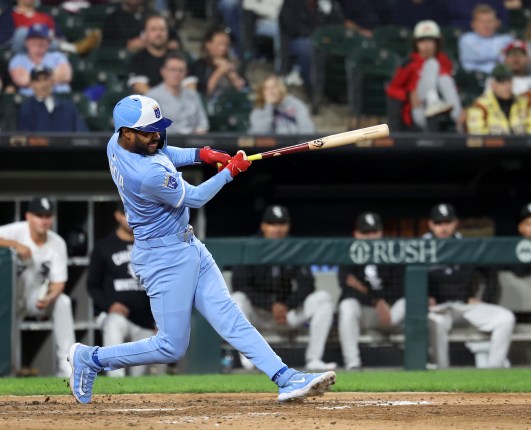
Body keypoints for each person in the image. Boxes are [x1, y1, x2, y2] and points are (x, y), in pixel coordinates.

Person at [68, 95, 336, 404]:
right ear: (127, 132)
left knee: (230, 318)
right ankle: (92, 358)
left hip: (187, 245)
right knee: (171, 347)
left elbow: (165, 152)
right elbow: (195, 197)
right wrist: (229, 172)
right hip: (162, 258)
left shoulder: (117, 143)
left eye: (157, 128)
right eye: (147, 131)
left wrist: (202, 154)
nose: (156, 135)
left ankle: (285, 378)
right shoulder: (145, 175)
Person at [231, 205, 337, 372]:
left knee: (322, 298)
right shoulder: (250, 247)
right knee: (237, 299)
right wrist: (270, 305)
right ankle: (250, 361)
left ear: (288, 226)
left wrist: (286, 305)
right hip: (259, 314)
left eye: (281, 224)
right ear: (263, 226)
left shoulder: (294, 247)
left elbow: (307, 284)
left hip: (288, 314)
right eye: (272, 224)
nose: (277, 228)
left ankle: (314, 360)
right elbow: (241, 285)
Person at [423, 203, 515, 369]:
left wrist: (484, 300)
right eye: (438, 223)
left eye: (447, 222)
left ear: (455, 223)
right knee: (435, 323)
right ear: (430, 224)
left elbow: (491, 275)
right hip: (437, 310)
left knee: (505, 318)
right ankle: (441, 375)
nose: (443, 227)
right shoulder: (420, 248)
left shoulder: (468, 246)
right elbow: (404, 279)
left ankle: (494, 371)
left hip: (465, 306)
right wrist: (423, 298)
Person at [0, 197, 75, 377]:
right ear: (28, 216)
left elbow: (59, 282)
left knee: (63, 302)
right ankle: (9, 373)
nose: (43, 220)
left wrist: (50, 297)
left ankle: (67, 369)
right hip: (10, 297)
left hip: (35, 296)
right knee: (9, 332)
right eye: (39, 215)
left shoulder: (57, 243)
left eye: (47, 216)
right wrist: (15, 245)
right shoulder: (16, 231)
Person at [87, 202, 164, 377]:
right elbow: (93, 286)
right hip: (114, 315)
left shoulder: (151, 246)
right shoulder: (104, 246)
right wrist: (109, 305)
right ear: (118, 216)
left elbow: (160, 285)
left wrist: (159, 319)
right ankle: (114, 383)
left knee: (139, 376)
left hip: (145, 320)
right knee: (114, 322)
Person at [337, 212, 405, 370]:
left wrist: (364, 289)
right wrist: (376, 300)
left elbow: (399, 287)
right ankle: (353, 362)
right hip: (365, 313)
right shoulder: (347, 253)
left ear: (381, 233)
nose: (370, 237)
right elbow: (346, 287)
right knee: (347, 305)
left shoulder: (393, 253)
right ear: (356, 234)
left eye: (373, 232)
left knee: (411, 302)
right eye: (365, 233)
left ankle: (420, 360)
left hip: (390, 313)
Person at [386, 20, 461, 132]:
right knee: (432, 63)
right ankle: (433, 102)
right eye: (422, 41)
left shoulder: (444, 60)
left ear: (437, 43)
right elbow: (392, 89)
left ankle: (457, 116)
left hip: (444, 107)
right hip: (419, 108)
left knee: (444, 79)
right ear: (416, 43)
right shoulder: (410, 62)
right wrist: (408, 95)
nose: (426, 46)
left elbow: (451, 86)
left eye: (430, 41)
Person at [146, 52, 209, 135]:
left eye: (180, 70)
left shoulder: (193, 96)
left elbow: (202, 125)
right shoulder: (152, 97)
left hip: (191, 144)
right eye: (172, 70)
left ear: (186, 73)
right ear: (163, 71)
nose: (176, 74)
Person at [466, 64, 531, 134]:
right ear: (492, 84)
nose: (507, 86)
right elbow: (476, 138)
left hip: (523, 146)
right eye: (502, 82)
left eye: (509, 81)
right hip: (492, 146)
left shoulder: (525, 103)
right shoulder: (480, 106)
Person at [188, 25, 248, 107]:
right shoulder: (200, 65)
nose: (223, 48)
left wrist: (231, 73)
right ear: (208, 44)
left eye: (226, 45)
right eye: (220, 44)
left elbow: (244, 90)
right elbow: (205, 93)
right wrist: (220, 71)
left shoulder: (232, 66)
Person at [18, 65, 88, 132]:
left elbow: (82, 136)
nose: (43, 85)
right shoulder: (26, 109)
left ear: (52, 81)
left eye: (46, 79)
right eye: (38, 81)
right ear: (32, 84)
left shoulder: (68, 108)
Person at [9, 24, 72, 97]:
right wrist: (53, 77)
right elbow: (22, 80)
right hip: (31, 99)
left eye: (42, 39)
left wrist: (35, 80)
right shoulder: (18, 59)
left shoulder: (57, 56)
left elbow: (66, 76)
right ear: (26, 42)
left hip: (60, 97)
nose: (38, 43)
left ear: (48, 43)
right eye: (33, 39)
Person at [127, 14, 183, 95]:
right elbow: (139, 86)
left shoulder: (178, 58)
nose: (158, 34)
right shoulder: (138, 59)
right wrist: (164, 101)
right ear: (145, 33)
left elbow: (189, 84)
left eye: (162, 29)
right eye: (153, 30)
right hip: (151, 104)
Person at [248, 74, 315, 135]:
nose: (271, 92)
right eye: (267, 89)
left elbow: (307, 130)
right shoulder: (258, 111)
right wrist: (268, 106)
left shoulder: (295, 104)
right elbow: (259, 135)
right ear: (262, 93)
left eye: (274, 87)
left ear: (280, 88)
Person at [458, 4, 513, 74]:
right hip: (473, 76)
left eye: (490, 21)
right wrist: (501, 53)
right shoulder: (466, 39)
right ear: (473, 24)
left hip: (500, 76)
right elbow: (481, 55)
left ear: (497, 23)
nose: (486, 25)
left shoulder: (506, 39)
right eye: (482, 21)